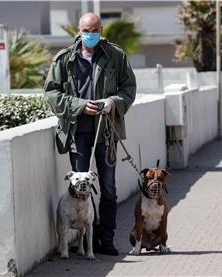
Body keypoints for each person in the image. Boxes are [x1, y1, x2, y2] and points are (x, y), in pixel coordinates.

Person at [44, 13, 136, 256]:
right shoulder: (64, 59)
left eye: (95, 29)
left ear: (101, 29)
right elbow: (51, 95)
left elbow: (129, 88)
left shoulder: (116, 55)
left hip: (106, 132)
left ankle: (106, 239)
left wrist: (112, 102)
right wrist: (79, 105)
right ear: (79, 30)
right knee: (80, 187)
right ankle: (87, 241)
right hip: (77, 133)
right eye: (87, 29)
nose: (91, 34)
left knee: (108, 187)